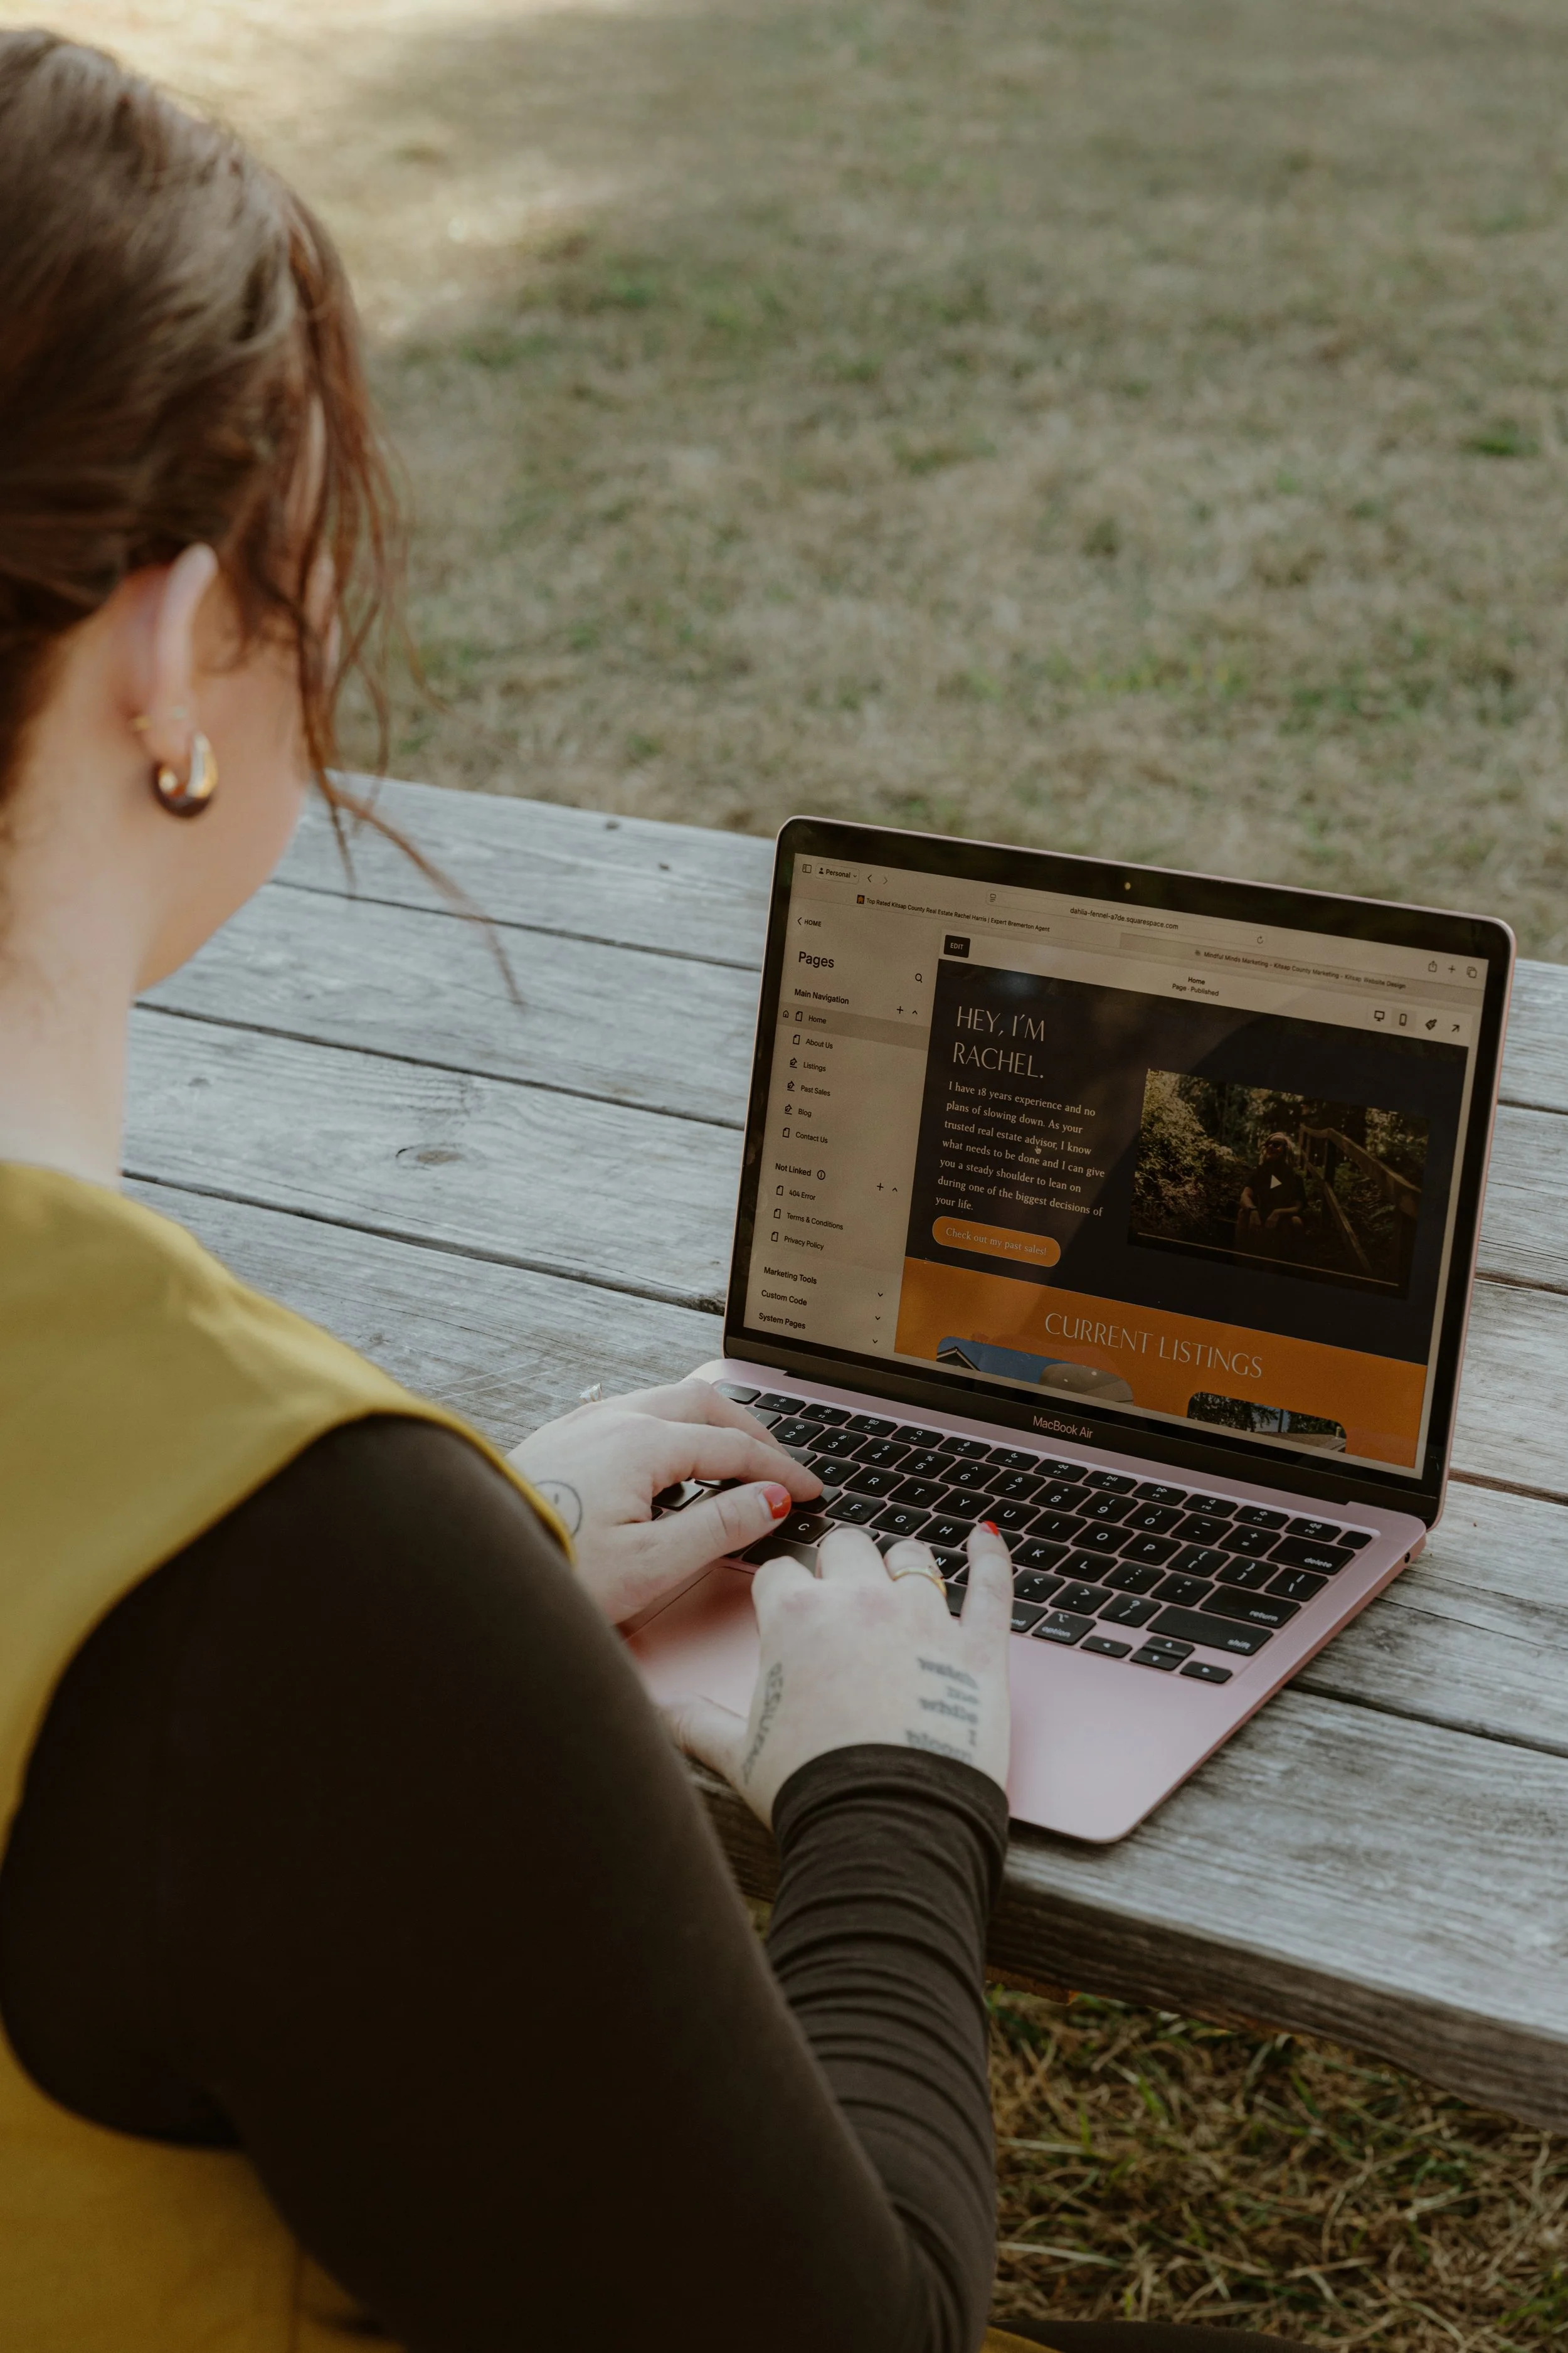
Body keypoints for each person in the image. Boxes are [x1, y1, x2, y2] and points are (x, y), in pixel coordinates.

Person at [0, 35, 1296, 2353]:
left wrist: (477, 1560)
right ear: (180, 646)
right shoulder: (279, 1583)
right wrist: (888, 1789)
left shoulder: (295, 1575)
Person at [1237, 1132, 1306, 1256]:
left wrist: (1278, 1212)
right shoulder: (1259, 1173)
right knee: (1243, 1213)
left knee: (1296, 1222)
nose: (1270, 1147)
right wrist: (1253, 1210)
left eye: (1276, 1145)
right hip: (1260, 1217)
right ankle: (1240, 1261)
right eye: (1268, 1144)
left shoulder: (1295, 1178)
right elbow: (1245, 1196)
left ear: (1286, 1149)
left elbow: (1297, 1207)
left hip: (1282, 1221)